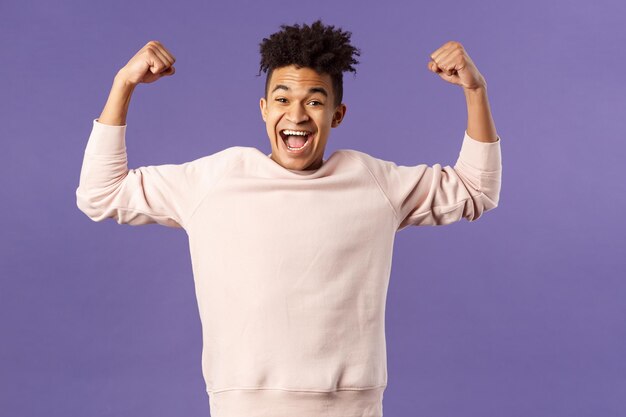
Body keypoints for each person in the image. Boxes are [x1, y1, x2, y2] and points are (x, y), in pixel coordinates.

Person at [76, 19, 501, 417]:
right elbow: (101, 194)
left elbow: (475, 190)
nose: (296, 115)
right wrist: (123, 84)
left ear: (337, 114)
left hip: (350, 407)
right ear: (264, 108)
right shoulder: (215, 180)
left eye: (314, 102)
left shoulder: (373, 182)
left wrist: (475, 90)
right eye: (282, 99)